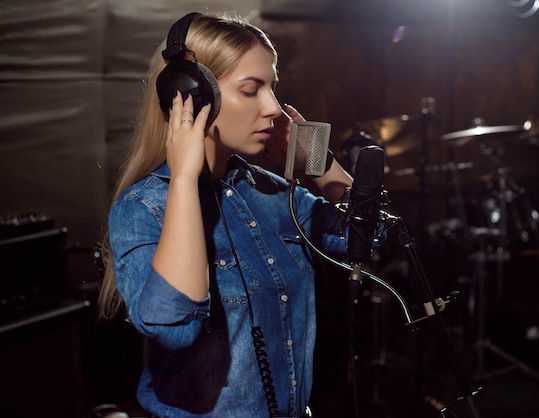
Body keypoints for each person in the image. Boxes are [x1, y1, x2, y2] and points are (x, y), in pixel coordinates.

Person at [97, 11, 353, 418]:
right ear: (193, 94)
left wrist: (317, 159)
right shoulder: (142, 208)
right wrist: (183, 177)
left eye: (273, 87)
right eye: (251, 90)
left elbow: (368, 237)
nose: (274, 108)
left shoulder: (273, 194)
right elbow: (174, 328)